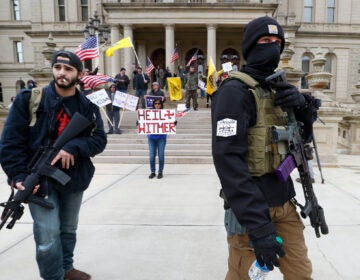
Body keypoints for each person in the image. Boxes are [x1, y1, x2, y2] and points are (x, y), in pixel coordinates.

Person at [211, 16, 314, 279]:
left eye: (278, 42)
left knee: (301, 273)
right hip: (250, 211)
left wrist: (302, 112)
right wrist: (259, 226)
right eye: (265, 41)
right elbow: (228, 161)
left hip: (285, 202)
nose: (273, 47)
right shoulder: (234, 92)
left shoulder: (278, 89)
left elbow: (300, 146)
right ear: (250, 47)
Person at [0, 50, 107, 280]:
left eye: (68, 69)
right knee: (47, 237)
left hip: (73, 178)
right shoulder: (29, 99)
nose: (62, 73)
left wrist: (73, 147)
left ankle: (66, 269)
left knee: (68, 230)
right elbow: (10, 142)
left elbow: (99, 140)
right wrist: (18, 176)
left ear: (79, 73)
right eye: (58, 67)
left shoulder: (87, 105)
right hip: (38, 180)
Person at [147, 99, 170, 179]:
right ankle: (153, 172)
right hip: (151, 137)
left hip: (161, 137)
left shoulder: (165, 113)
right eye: (155, 104)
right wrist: (139, 122)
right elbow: (143, 121)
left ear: (161, 105)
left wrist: (173, 123)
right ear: (153, 105)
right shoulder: (149, 113)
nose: (157, 105)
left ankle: (160, 172)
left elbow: (170, 122)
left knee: (161, 156)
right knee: (152, 156)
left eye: (159, 104)